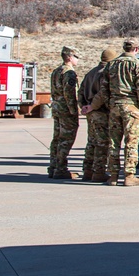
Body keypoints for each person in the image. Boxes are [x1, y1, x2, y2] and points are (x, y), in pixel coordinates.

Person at [90, 40, 139, 186]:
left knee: (114, 142)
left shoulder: (112, 64)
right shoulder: (138, 64)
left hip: (115, 106)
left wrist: (111, 103)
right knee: (131, 141)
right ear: (136, 49)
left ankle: (113, 175)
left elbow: (104, 89)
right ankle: (129, 175)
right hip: (131, 106)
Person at [78, 48, 117, 182]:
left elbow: (81, 91)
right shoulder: (106, 73)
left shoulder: (91, 73)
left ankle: (87, 170)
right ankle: (99, 172)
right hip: (101, 111)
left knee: (91, 142)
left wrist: (84, 106)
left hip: (91, 112)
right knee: (102, 142)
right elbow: (102, 93)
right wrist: (93, 106)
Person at [48, 46, 80, 180]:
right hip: (65, 109)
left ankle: (54, 166)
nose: (77, 60)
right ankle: (61, 168)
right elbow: (69, 94)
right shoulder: (69, 73)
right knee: (66, 139)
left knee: (57, 138)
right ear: (69, 57)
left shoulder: (56, 71)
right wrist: (74, 111)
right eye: (75, 57)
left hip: (57, 107)